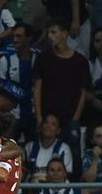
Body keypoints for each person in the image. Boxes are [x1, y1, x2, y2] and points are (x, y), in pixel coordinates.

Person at [32, 18, 90, 158]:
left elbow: (83, 92)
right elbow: (37, 88)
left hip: (69, 116)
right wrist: (39, 117)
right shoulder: (43, 58)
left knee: (74, 152)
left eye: (54, 32)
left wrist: (76, 118)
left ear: (64, 34)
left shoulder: (80, 61)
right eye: (48, 33)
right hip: (48, 116)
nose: (50, 36)